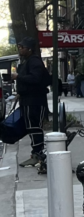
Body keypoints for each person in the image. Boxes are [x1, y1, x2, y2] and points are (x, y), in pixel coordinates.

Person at [13, 37, 49, 167]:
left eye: (22, 47)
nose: (20, 50)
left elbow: (35, 78)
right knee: (30, 126)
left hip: (34, 100)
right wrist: (19, 92)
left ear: (29, 49)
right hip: (28, 99)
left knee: (34, 127)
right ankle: (35, 153)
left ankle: (38, 154)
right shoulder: (27, 61)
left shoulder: (34, 61)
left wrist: (18, 77)